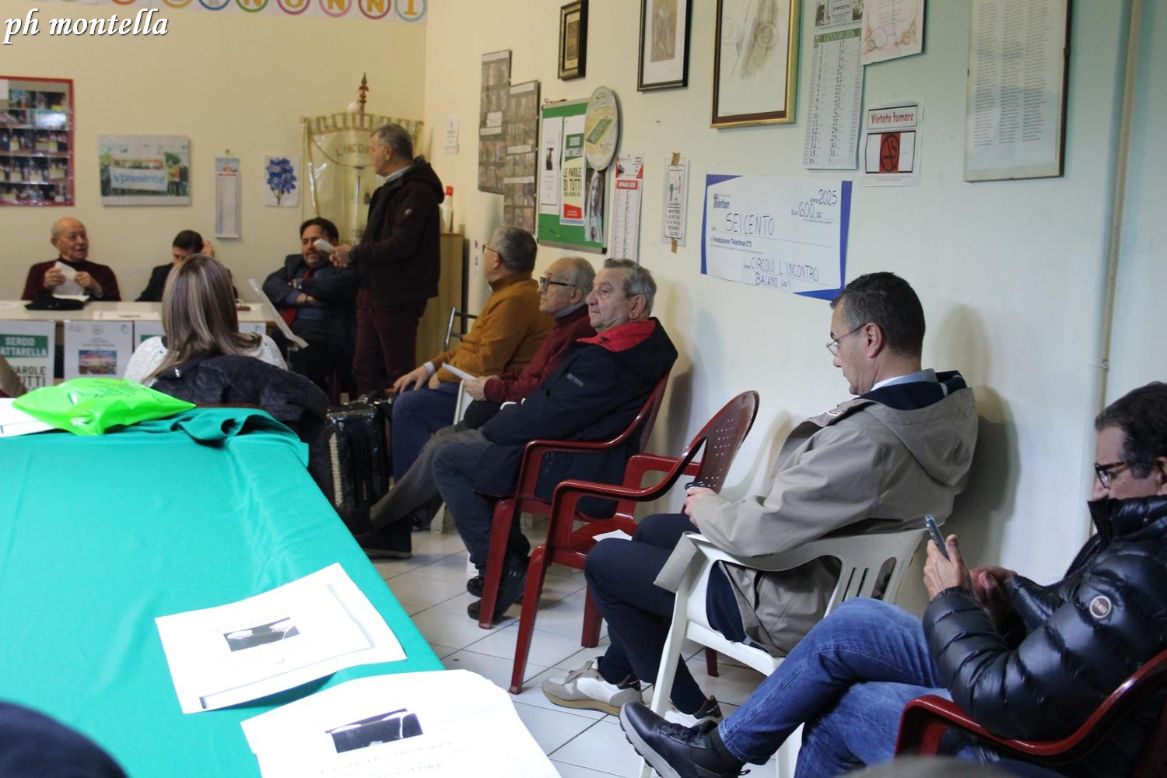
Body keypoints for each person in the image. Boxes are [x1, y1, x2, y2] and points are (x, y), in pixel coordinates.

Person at [619, 381, 1167, 778]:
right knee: (856, 620)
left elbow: (1002, 697)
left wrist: (952, 601)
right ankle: (717, 754)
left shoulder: (1138, 572)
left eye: (1109, 474)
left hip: (1037, 745)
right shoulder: (1135, 542)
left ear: (1161, 471)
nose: (1097, 492)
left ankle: (714, 756)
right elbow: (1082, 639)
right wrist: (1015, 597)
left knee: (842, 707)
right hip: (1043, 694)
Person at [543, 272, 978, 726]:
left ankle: (691, 715)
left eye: (837, 341)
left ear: (871, 338)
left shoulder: (869, 438)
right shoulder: (944, 410)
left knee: (606, 562)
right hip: (839, 578)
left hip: (785, 599)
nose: (836, 359)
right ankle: (615, 676)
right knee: (654, 529)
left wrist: (707, 504)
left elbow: (755, 534)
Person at [431, 259, 678, 623]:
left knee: (449, 458)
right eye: (593, 290)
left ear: (635, 305)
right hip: (576, 452)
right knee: (462, 445)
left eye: (604, 291)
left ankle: (502, 568)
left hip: (574, 466)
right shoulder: (636, 344)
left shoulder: (612, 359)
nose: (591, 299)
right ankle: (509, 563)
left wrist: (499, 426)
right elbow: (555, 406)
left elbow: (551, 415)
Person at [355, 255, 597, 559]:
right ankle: (392, 524)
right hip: (512, 409)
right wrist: (470, 375)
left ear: (574, 294)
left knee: (436, 437)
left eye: (549, 283)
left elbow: (539, 390)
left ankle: (381, 521)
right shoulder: (559, 323)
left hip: (529, 432)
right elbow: (525, 374)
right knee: (441, 436)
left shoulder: (574, 331)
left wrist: (491, 387)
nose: (541, 289)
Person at [387, 226, 551, 502]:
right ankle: (408, 493)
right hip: (472, 382)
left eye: (486, 249)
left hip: (489, 394)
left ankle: (412, 504)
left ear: (495, 259)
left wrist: (443, 374)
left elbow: (486, 363)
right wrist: (429, 367)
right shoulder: (508, 291)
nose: (483, 254)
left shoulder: (515, 300)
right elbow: (468, 345)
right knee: (406, 391)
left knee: (409, 405)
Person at [330, 123, 445, 394]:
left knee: (397, 371)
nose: (371, 156)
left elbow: (401, 244)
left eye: (372, 149)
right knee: (363, 368)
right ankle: (369, 419)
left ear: (388, 151)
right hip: (372, 290)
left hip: (397, 295)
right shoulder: (387, 190)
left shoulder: (417, 191)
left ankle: (398, 420)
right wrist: (353, 258)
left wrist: (355, 252)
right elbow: (376, 240)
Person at [122, 254, 286, 385]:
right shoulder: (264, 349)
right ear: (227, 301)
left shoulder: (149, 355)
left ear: (171, 304)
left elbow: (124, 413)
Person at [263, 217, 358, 395]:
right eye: (305, 242)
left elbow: (331, 287)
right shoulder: (294, 264)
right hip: (290, 329)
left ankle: (311, 402)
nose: (309, 247)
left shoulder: (344, 266)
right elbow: (270, 284)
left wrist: (298, 284)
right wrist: (302, 298)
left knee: (305, 354)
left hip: (325, 334)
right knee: (263, 344)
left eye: (315, 240)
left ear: (333, 243)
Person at [22, 217, 121, 302]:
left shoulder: (103, 272)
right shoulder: (39, 270)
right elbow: (25, 306)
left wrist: (96, 289)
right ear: (56, 243)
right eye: (72, 237)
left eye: (83, 236)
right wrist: (45, 286)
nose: (81, 241)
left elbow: (116, 308)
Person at [136, 229, 214, 303]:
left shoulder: (204, 275)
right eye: (176, 256)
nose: (179, 263)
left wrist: (208, 263)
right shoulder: (159, 273)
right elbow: (142, 302)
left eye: (185, 258)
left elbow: (212, 304)